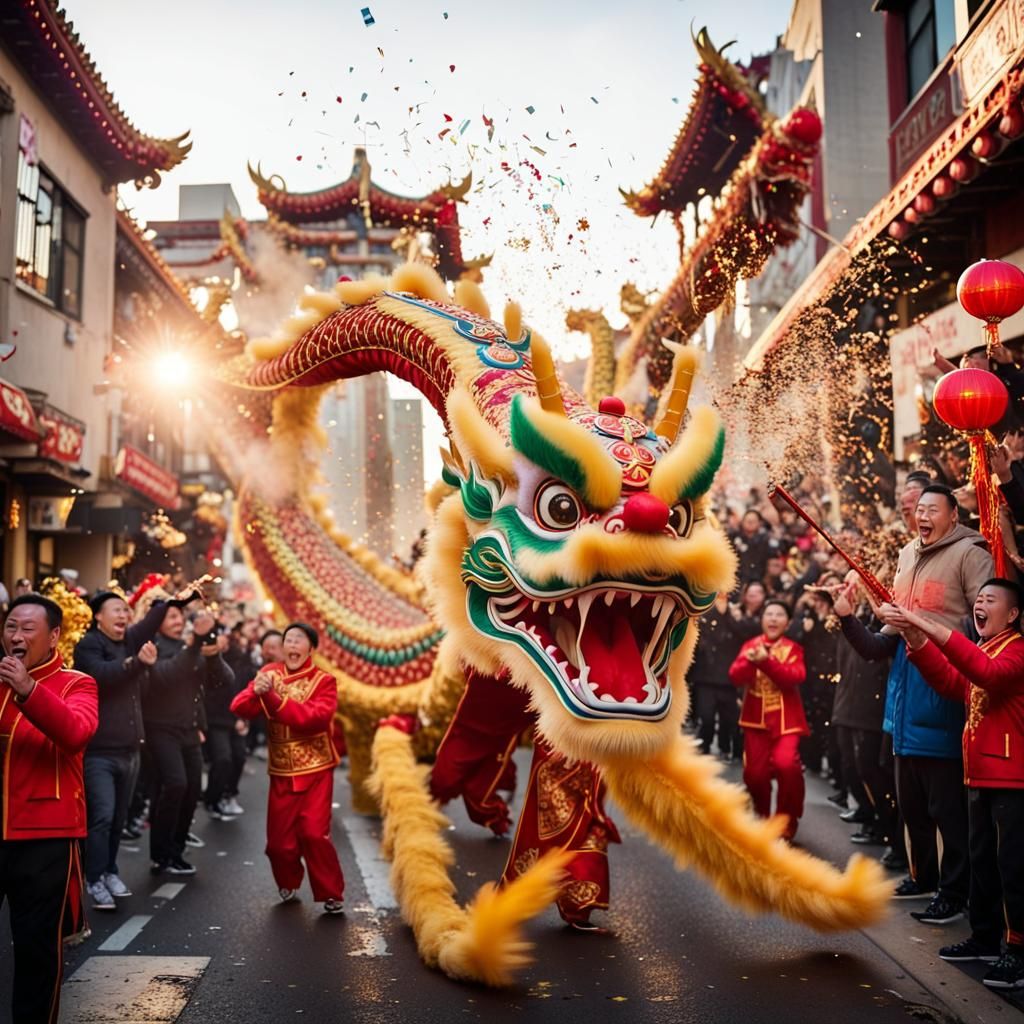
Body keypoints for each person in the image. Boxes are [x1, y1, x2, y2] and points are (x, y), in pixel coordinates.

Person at [838, 484, 993, 924]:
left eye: (931, 509)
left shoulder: (970, 552)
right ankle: (922, 875)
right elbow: (877, 645)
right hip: (902, 693)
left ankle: (954, 891)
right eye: (918, 509)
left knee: (946, 806)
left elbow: (986, 621)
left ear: (952, 515)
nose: (922, 516)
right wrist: (849, 615)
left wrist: (924, 626)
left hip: (942, 683)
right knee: (910, 802)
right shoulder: (907, 554)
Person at [888, 579, 1024, 990]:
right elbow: (953, 683)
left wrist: (930, 627)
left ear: (1013, 615)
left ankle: (1016, 952)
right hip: (979, 773)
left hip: (1011, 779)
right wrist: (914, 638)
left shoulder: (1016, 650)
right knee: (983, 863)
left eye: (990, 600)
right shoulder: (984, 647)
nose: (980, 605)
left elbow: (985, 674)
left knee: (1012, 869)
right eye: (978, 599)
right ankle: (984, 938)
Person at [0, 594, 98, 1023]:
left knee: (37, 951)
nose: (16, 637)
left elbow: (75, 732)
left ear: (54, 635)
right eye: (10, 627)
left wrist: (27, 689)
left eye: (27, 629)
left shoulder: (78, 683)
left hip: (45, 837)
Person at [72, 586, 194, 911]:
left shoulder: (129, 640)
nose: (123, 616)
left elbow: (152, 620)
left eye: (126, 610)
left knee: (118, 819)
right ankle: (94, 878)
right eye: (116, 610)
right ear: (98, 616)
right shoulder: (87, 646)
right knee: (101, 817)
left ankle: (110, 870)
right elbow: (102, 677)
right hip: (99, 750)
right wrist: (136, 664)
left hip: (130, 749)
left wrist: (172, 597)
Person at [230, 622, 344, 913]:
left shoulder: (324, 681)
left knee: (314, 834)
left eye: (299, 640)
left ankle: (330, 892)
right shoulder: (269, 673)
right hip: (282, 771)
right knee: (279, 843)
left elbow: (313, 719)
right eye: (288, 640)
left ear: (311, 649)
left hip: (316, 769)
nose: (292, 645)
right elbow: (240, 707)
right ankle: (288, 880)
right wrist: (254, 691)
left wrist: (271, 696)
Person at [144, 606, 234, 875]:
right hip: (160, 728)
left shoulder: (191, 646)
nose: (178, 621)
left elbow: (224, 680)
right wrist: (194, 643)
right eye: (170, 617)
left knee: (193, 789)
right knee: (174, 784)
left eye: (179, 617)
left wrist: (212, 650)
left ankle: (177, 850)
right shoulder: (153, 646)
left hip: (189, 729)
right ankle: (160, 854)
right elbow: (167, 674)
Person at [728, 599, 808, 841]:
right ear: (762, 619)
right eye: (768, 614)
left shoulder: (794, 649)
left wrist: (766, 661)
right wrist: (750, 661)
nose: (773, 618)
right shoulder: (750, 645)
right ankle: (762, 817)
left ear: (788, 622)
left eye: (779, 614)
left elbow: (794, 677)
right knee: (754, 776)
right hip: (756, 721)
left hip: (787, 721)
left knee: (787, 766)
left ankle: (785, 820)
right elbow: (735, 676)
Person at [203, 624, 254, 819]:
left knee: (239, 756)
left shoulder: (241, 660)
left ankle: (229, 793)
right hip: (217, 720)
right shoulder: (208, 661)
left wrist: (244, 718)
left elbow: (248, 690)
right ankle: (212, 799)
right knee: (222, 759)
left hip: (237, 718)